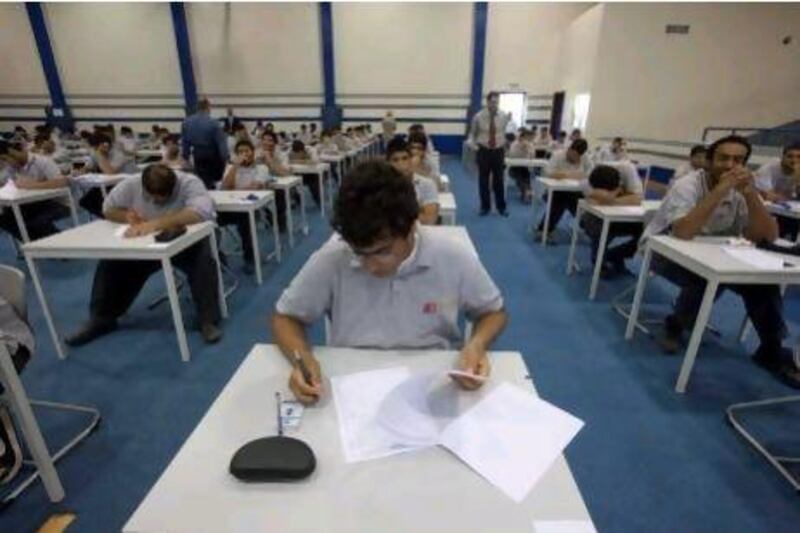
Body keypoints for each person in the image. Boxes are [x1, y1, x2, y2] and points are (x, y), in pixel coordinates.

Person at [271, 161, 507, 404]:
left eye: (382, 252)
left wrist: (477, 344)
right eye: (359, 253)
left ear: (410, 228)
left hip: (433, 382)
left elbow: (493, 312)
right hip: (352, 383)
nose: (369, 266)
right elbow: (286, 317)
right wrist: (302, 358)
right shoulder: (333, 257)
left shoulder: (452, 256)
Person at [639, 135, 800, 387]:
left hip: (718, 253)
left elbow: (767, 235)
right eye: (723, 158)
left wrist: (751, 196)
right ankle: (676, 323)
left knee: (761, 283)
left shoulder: (745, 188)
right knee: (702, 278)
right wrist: (720, 191)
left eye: (738, 160)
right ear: (709, 161)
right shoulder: (688, 185)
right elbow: (682, 232)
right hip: (664, 251)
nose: (730, 165)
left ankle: (771, 348)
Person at [66, 164, 223, 346]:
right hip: (148, 241)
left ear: (174, 185)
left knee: (203, 260)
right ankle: (101, 319)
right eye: (154, 197)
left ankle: (208, 320)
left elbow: (200, 212)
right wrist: (127, 217)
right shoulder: (131, 184)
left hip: (189, 240)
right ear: (144, 187)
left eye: (165, 197)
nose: (159, 201)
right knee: (112, 262)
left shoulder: (190, 182)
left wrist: (156, 223)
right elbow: (108, 209)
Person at [580, 162, 644, 277]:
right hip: (592, 219)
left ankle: (613, 255)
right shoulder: (587, 183)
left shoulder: (627, 169)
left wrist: (611, 199)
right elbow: (597, 198)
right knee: (600, 228)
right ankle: (599, 260)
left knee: (645, 232)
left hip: (620, 217)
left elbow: (638, 199)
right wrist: (616, 196)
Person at [219, 139, 272, 273]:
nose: (244, 154)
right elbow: (224, 188)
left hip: (253, 208)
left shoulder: (261, 168)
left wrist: (234, 190)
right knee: (209, 220)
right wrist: (235, 167)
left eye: (247, 151)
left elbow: (254, 187)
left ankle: (250, 258)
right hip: (230, 208)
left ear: (253, 152)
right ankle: (216, 258)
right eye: (240, 152)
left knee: (246, 220)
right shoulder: (230, 168)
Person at [0, 140, 70, 241]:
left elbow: (62, 182)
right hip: (32, 203)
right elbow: (4, 182)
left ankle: (58, 243)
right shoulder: (11, 168)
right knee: (5, 219)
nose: (5, 164)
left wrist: (32, 186)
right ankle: (38, 245)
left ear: (11, 152)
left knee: (32, 221)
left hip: (57, 202)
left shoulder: (41, 161)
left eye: (4, 159)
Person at [536, 138, 593, 240]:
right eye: (573, 155)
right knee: (562, 196)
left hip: (576, 191)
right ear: (569, 149)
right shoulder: (558, 155)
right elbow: (548, 172)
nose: (575, 159)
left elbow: (591, 174)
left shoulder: (585, 158)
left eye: (578, 157)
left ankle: (544, 229)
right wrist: (569, 175)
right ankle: (588, 225)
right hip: (554, 190)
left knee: (568, 198)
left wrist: (580, 175)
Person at [469, 92, 511, 216]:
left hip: (498, 151)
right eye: (492, 102)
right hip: (483, 151)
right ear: (487, 102)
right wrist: (474, 146)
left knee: (499, 180)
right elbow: (472, 134)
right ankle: (485, 207)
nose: (495, 105)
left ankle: (501, 207)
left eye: (497, 102)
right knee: (483, 180)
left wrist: (505, 146)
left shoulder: (503, 116)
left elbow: (504, 133)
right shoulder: (478, 117)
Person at [386, 137, 439, 225]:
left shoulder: (427, 184)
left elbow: (430, 220)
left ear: (411, 160)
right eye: (395, 160)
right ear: (388, 164)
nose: (401, 164)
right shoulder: (382, 185)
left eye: (405, 158)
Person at [181, 98, 229, 189]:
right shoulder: (214, 123)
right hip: (213, 156)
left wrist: (185, 157)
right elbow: (221, 143)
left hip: (198, 155)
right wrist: (226, 158)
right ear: (208, 107)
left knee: (202, 181)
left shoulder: (186, 122)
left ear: (197, 107)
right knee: (216, 182)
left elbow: (185, 144)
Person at [755, 142, 800, 239]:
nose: (794, 160)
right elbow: (768, 196)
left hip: (789, 212)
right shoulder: (769, 168)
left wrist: (798, 179)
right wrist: (790, 198)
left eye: (798, 157)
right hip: (766, 210)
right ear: (783, 157)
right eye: (790, 156)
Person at [507, 129, 535, 203]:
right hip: (514, 167)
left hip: (524, 167)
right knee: (519, 176)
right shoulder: (514, 144)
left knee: (526, 176)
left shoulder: (529, 144)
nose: (523, 139)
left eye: (525, 138)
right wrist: (519, 148)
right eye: (521, 137)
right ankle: (526, 192)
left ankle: (527, 192)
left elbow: (532, 156)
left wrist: (527, 149)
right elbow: (511, 156)